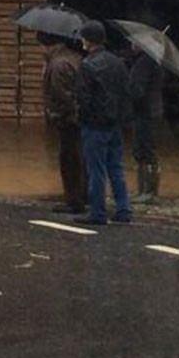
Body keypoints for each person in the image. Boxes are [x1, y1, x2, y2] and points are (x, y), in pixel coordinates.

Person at [75, 21, 134, 226]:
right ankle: (124, 208)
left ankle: (98, 212)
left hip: (94, 126)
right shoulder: (118, 63)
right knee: (116, 167)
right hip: (115, 124)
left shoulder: (87, 65)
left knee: (96, 169)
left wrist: (82, 119)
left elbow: (83, 98)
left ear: (87, 40)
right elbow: (127, 93)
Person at [39, 32, 86, 214]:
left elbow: (61, 95)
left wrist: (56, 115)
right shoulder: (75, 57)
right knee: (80, 158)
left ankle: (73, 200)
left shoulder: (58, 65)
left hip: (68, 120)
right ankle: (83, 194)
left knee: (69, 159)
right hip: (80, 117)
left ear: (46, 45)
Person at [123, 42, 165, 203]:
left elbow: (137, 90)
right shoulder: (152, 61)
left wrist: (127, 90)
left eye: (134, 43)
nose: (132, 45)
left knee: (145, 150)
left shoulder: (145, 63)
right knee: (142, 150)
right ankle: (144, 190)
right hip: (150, 111)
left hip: (145, 112)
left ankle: (148, 192)